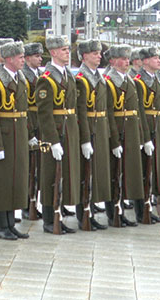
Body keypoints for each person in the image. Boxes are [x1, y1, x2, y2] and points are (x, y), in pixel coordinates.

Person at [36, 36, 91, 234]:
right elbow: (44, 114)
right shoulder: (46, 79)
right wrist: (52, 141)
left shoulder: (68, 75)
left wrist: (83, 139)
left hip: (70, 130)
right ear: (52, 52)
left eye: (68, 49)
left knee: (66, 174)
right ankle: (49, 219)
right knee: (51, 175)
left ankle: (59, 214)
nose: (67, 53)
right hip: (56, 132)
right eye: (63, 50)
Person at [0, 41, 31, 239]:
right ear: (9, 59)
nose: (23, 60)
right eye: (20, 57)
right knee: (2, 183)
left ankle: (11, 223)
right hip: (4, 138)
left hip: (18, 136)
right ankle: (2, 226)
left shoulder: (19, 78)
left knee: (15, 181)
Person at [103, 44, 147, 227]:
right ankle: (113, 212)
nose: (126, 61)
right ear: (112, 61)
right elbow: (109, 113)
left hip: (130, 132)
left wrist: (142, 137)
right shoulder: (108, 81)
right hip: (118, 132)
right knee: (114, 173)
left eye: (128, 58)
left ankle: (121, 210)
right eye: (122, 58)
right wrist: (114, 141)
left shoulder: (130, 80)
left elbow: (137, 111)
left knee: (126, 173)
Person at [75, 40, 111, 230]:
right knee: (85, 173)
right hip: (89, 127)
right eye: (95, 53)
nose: (99, 56)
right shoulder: (81, 78)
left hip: (101, 127)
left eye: (99, 53)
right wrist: (85, 138)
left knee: (97, 172)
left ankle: (91, 210)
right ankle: (84, 215)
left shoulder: (99, 76)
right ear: (85, 56)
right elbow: (80, 111)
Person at [135, 47, 160, 223]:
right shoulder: (139, 81)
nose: (159, 61)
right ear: (145, 61)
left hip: (158, 127)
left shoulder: (157, 79)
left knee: (154, 169)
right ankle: (141, 210)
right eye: (155, 58)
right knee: (143, 170)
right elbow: (139, 112)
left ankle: (150, 206)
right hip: (146, 128)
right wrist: (145, 137)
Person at [20, 42, 44, 221]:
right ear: (28, 58)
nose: (40, 59)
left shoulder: (40, 75)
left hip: (41, 123)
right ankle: (28, 204)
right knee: (30, 169)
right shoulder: (24, 76)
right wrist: (29, 133)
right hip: (31, 122)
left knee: (39, 169)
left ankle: (36, 203)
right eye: (36, 56)